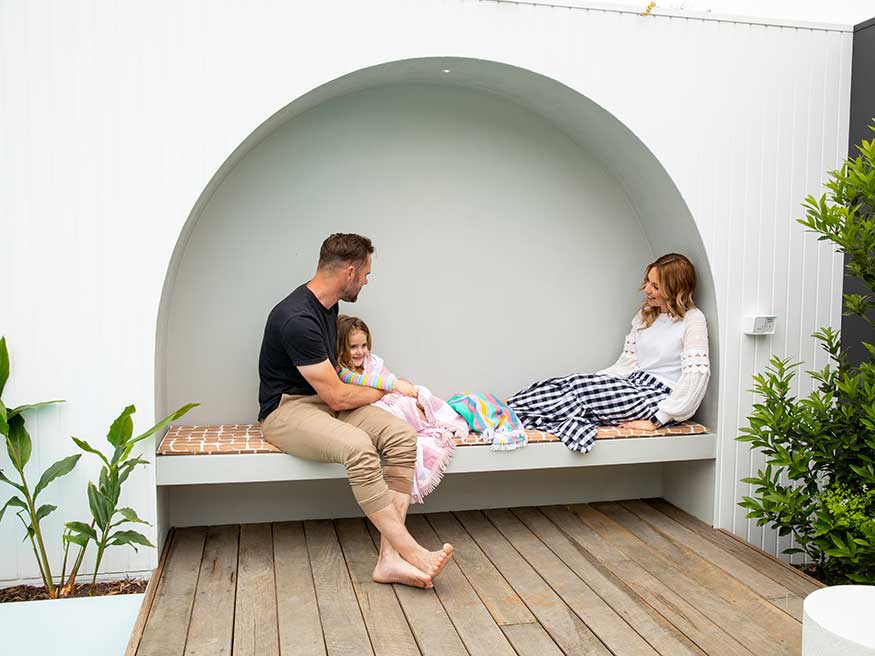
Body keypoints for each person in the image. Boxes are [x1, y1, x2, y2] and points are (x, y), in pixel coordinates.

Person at [257, 233, 453, 588]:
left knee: (402, 436)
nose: (365, 281)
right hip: (286, 411)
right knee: (359, 447)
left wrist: (375, 390)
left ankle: (389, 561)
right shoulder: (297, 318)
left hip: (324, 403)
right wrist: (383, 388)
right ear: (349, 272)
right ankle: (410, 551)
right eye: (365, 275)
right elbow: (338, 398)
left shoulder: (329, 308)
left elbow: (336, 385)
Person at [507, 253, 710, 453]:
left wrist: (658, 420)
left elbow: (695, 378)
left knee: (582, 393)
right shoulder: (646, 315)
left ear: (674, 290)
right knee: (574, 383)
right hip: (633, 385)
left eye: (656, 286)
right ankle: (502, 409)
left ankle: (502, 415)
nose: (647, 289)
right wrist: (595, 381)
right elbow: (627, 363)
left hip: (658, 397)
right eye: (648, 281)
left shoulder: (693, 320)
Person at [335, 315, 466, 502]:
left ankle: (441, 418)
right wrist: (393, 384)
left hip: (384, 400)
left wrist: (399, 384)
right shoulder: (342, 371)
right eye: (353, 347)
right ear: (341, 348)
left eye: (364, 346)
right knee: (402, 405)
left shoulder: (372, 362)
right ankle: (421, 423)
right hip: (367, 411)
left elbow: (388, 378)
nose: (360, 352)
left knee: (419, 392)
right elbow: (368, 381)